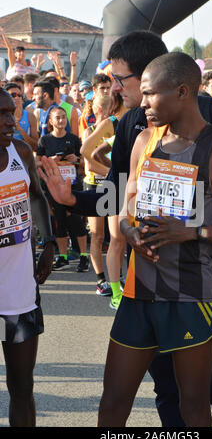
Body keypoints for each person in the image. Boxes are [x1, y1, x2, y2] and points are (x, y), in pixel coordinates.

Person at [39, 30, 212, 427]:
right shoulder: (136, 134)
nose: (120, 92)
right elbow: (121, 202)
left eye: (126, 82)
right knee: (132, 398)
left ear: (179, 90)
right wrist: (81, 204)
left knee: (211, 394)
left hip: (197, 289)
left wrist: (205, 239)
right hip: (141, 290)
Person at [98, 51, 212, 427]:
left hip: (191, 297)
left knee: (194, 408)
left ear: (183, 92)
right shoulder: (143, 142)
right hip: (139, 294)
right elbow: (124, 210)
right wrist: (129, 231)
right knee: (112, 403)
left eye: (152, 94)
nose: (142, 101)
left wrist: (193, 232)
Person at [0, 87, 55, 426]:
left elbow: (36, 196)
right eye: (3, 115)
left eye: (12, 112)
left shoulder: (21, 151)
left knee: (22, 386)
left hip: (19, 288)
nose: (12, 120)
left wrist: (49, 243)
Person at [81, 93, 127, 307]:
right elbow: (88, 157)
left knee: (118, 238)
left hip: (117, 185)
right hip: (97, 184)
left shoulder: (128, 123)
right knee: (100, 236)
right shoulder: (106, 125)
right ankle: (103, 282)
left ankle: (119, 283)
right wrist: (114, 175)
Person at [35, 106, 88, 272]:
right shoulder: (44, 140)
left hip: (72, 185)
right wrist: (49, 160)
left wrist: (76, 159)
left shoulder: (73, 139)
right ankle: (63, 257)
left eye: (63, 117)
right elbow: (36, 162)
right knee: (59, 221)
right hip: (53, 186)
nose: (61, 120)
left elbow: (84, 164)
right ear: (50, 121)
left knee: (76, 221)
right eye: (57, 118)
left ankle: (84, 257)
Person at [5, 82, 38, 151]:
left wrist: (20, 130)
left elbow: (35, 146)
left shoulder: (30, 117)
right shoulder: (2, 117)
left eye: (19, 95)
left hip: (24, 157)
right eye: (13, 95)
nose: (17, 97)